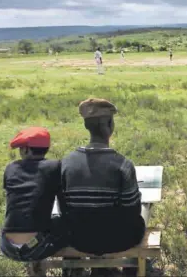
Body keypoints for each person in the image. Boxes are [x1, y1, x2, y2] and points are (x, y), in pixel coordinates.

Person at [60, 98, 146, 275]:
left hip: (78, 239)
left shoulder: (66, 163)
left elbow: (64, 208)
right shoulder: (123, 164)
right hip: (118, 240)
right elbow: (132, 211)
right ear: (109, 125)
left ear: (87, 126)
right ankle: (131, 269)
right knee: (143, 213)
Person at [0, 127, 68, 262]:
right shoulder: (55, 166)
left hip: (8, 246)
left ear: (26, 150)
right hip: (38, 245)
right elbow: (63, 203)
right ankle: (73, 270)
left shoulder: (11, 168)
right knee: (65, 224)